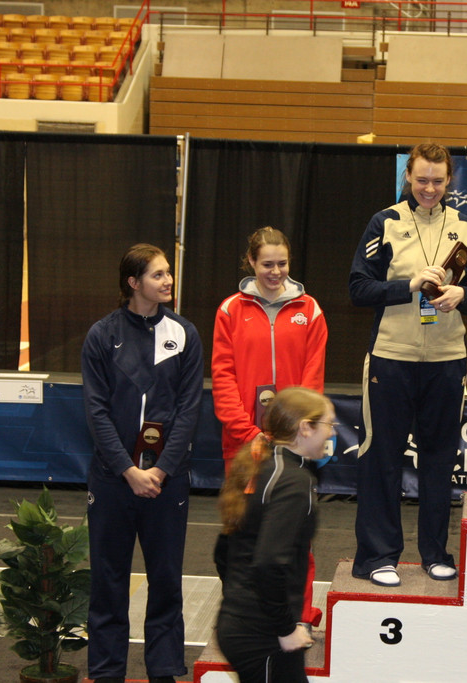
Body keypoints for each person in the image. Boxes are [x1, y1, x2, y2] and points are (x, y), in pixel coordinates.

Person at [348, 142, 467, 587]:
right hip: (390, 359)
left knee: (439, 461)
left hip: (447, 362)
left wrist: (462, 295)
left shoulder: (463, 227)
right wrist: (408, 284)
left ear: (450, 181)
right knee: (381, 459)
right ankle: (377, 557)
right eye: (422, 179)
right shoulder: (384, 222)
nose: (429, 188)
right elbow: (358, 288)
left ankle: (435, 553)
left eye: (438, 180)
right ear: (408, 176)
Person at [81, 243, 204, 683]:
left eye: (168, 273)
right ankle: (107, 670)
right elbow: (96, 411)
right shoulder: (101, 335)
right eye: (157, 275)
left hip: (166, 481)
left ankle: (165, 670)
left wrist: (161, 470)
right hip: (114, 480)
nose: (167, 280)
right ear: (133, 283)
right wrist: (128, 470)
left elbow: (190, 410)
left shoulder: (185, 333)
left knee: (166, 581)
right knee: (108, 581)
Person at [211, 226, 327, 627]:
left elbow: (313, 380)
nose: (275, 272)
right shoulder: (229, 310)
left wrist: (291, 433)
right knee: (241, 531)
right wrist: (247, 432)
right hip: (243, 444)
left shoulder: (310, 310)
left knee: (296, 534)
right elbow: (222, 376)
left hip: (293, 443)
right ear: (251, 263)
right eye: (267, 264)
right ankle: (244, 612)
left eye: (282, 264)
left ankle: (299, 614)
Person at [214, 387, 334, 683]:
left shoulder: (265, 467)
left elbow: (224, 550)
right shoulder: (294, 483)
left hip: (244, 624)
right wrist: (284, 628)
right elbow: (268, 562)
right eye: (329, 425)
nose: (331, 434)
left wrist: (238, 603)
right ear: (306, 428)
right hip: (262, 634)